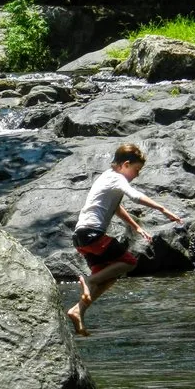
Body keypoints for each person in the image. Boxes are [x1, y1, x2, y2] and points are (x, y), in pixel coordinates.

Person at [67, 143, 183, 336]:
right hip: (92, 234)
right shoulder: (116, 177)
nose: (137, 175)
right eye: (136, 170)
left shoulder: (106, 178)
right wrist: (163, 209)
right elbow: (135, 196)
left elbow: (116, 208)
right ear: (125, 164)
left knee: (109, 277)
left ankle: (78, 311)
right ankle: (87, 280)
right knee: (129, 262)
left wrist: (136, 227)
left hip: (82, 238)